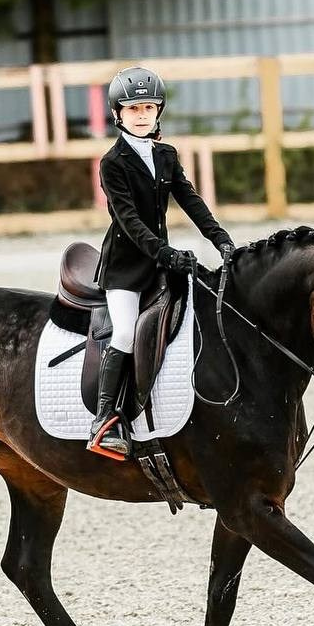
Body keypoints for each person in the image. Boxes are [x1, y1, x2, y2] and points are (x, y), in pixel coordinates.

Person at [88, 66, 234, 459]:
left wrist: (221, 240)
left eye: (148, 107)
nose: (141, 114)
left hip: (161, 262)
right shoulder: (112, 162)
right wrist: (167, 253)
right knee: (124, 333)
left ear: (158, 112)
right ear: (118, 114)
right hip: (126, 269)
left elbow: (190, 200)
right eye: (133, 108)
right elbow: (129, 221)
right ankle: (104, 418)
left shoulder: (165, 155)